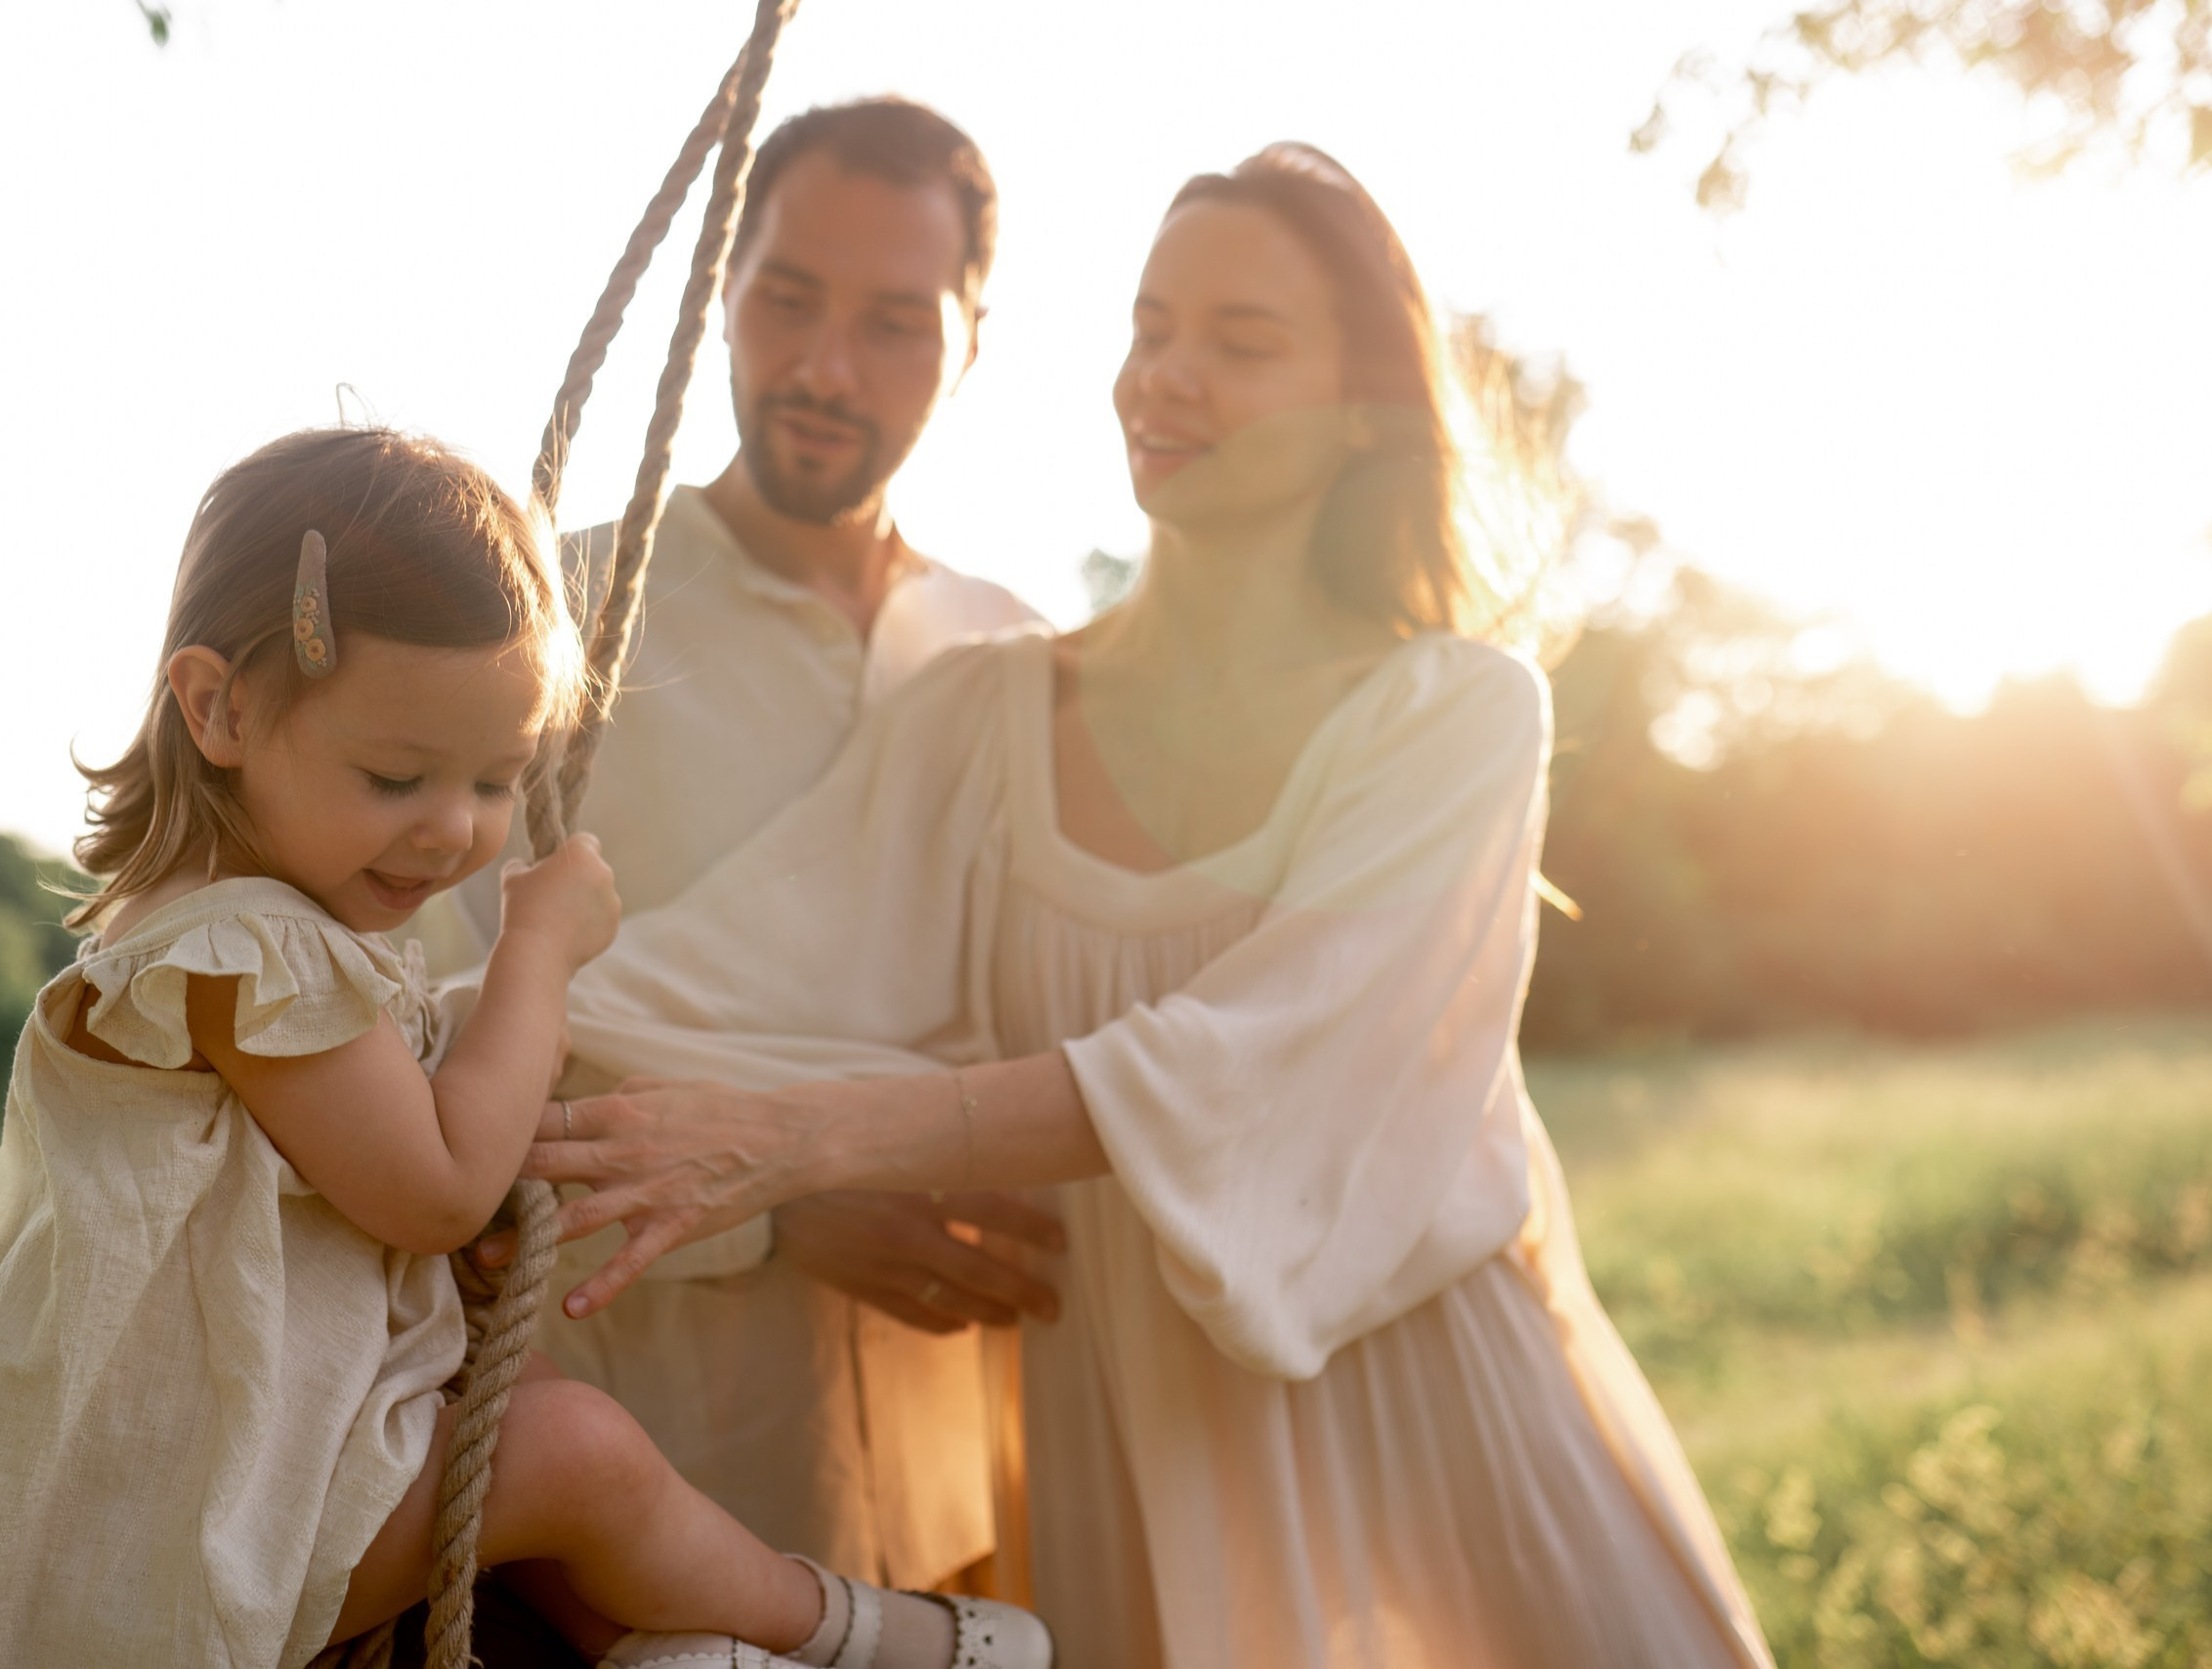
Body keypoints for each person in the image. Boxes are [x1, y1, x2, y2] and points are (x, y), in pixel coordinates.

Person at [524, 146, 1779, 1667]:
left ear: (1368, 411)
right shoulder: (978, 711)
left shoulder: (1456, 717)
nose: (1165, 377)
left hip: (1432, 1408)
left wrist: (797, 1140)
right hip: (1113, 1422)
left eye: (1241, 344)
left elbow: (1249, 1064)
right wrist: (440, 1051)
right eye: (1149, 325)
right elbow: (683, 989)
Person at [0, 428, 1049, 1669]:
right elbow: (438, 1186)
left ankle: (681, 1650)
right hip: (183, 1536)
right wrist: (534, 960)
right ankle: (851, 1634)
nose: (454, 832)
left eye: (497, 782)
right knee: (577, 1460)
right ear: (218, 706)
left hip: (274, 1462)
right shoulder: (238, 956)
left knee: (538, 1416)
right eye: (398, 777)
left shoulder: (265, 934)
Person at [429, 98, 1056, 1595]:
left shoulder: (1019, 658)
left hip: (978, 1466)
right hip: (628, 1476)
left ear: (975, 341)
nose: (826, 369)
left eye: (898, 322)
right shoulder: (539, 633)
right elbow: (405, 1068)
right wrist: (772, 1209)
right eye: (787, 298)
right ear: (722, 288)